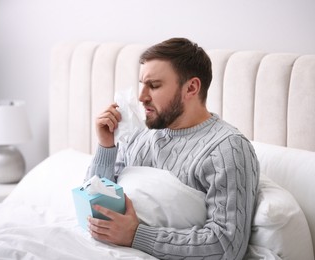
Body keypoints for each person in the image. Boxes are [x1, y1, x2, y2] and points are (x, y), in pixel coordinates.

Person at [85, 37, 260, 259]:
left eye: (154, 85)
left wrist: (136, 235)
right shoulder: (140, 136)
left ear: (191, 88)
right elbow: (93, 201)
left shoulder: (227, 149)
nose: (141, 97)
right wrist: (105, 146)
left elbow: (226, 246)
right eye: (142, 84)